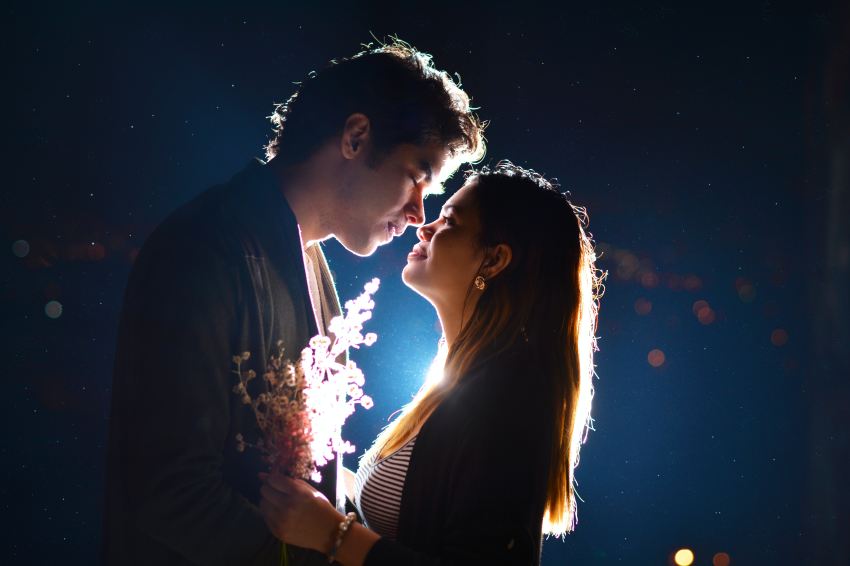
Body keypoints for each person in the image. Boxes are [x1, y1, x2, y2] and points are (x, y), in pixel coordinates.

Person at [102, 40, 485, 565]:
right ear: (355, 137)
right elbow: (168, 489)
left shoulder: (309, 263)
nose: (419, 212)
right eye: (417, 176)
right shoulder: (205, 248)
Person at [258, 161, 603, 565]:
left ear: (494, 261)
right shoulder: (458, 380)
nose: (424, 226)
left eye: (450, 221)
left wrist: (333, 534)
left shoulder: (507, 404)